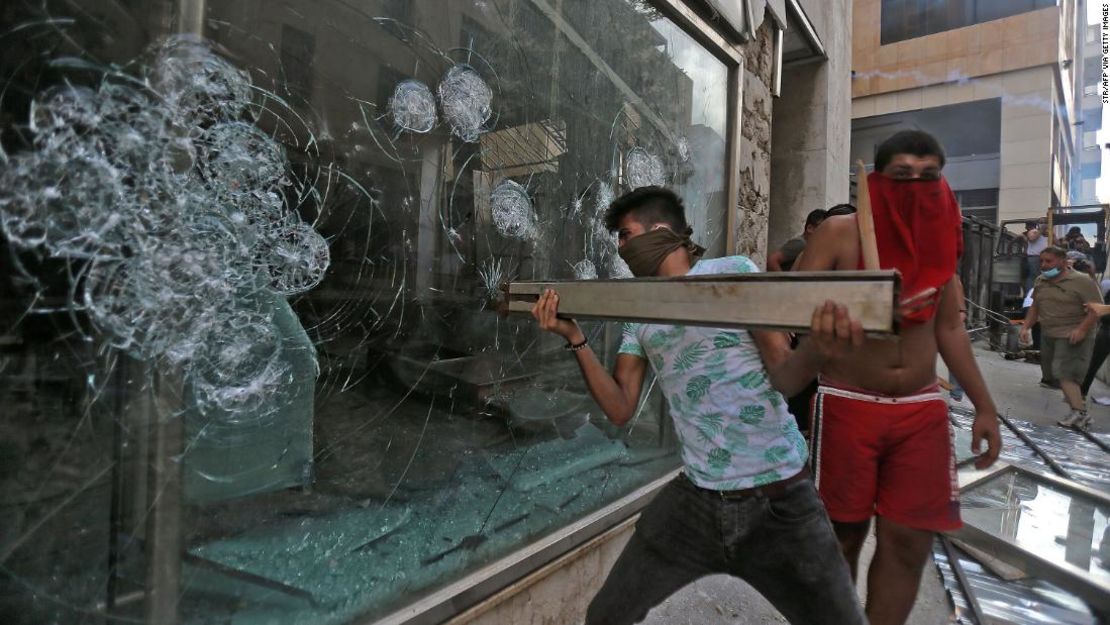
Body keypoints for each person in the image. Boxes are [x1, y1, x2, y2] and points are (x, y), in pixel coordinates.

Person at [531, 186, 867, 625]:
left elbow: (784, 377)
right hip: (696, 500)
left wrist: (819, 348)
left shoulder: (734, 273)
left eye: (626, 235)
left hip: (778, 496)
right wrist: (575, 338)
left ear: (660, 231)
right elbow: (619, 407)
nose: (621, 248)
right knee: (606, 616)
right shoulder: (639, 311)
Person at [795, 129, 1002, 625]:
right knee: (843, 535)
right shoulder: (840, 233)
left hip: (920, 408)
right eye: (901, 175)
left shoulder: (939, 237)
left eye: (927, 176)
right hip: (848, 401)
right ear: (878, 181)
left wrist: (985, 406)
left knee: (910, 540)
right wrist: (848, 303)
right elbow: (790, 305)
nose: (915, 186)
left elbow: (949, 325)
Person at [1021, 246, 1104, 429]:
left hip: (1073, 334)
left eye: (1049, 261)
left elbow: (1096, 309)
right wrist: (1026, 327)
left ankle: (1079, 413)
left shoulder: (1082, 281)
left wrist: (1082, 330)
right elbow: (1036, 306)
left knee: (1066, 373)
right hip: (1050, 333)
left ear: (1063, 261)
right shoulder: (1041, 281)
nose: (1043, 265)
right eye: (1042, 261)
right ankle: (1078, 409)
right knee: (1054, 376)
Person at [1024, 220, 1048, 292]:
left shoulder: (1047, 234)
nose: (1044, 224)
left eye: (1045, 222)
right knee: (1033, 276)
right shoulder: (1033, 231)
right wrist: (1041, 230)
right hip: (1034, 257)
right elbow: (1032, 238)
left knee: (1041, 276)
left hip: (1044, 258)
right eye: (1042, 223)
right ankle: (1030, 294)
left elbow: (1057, 243)